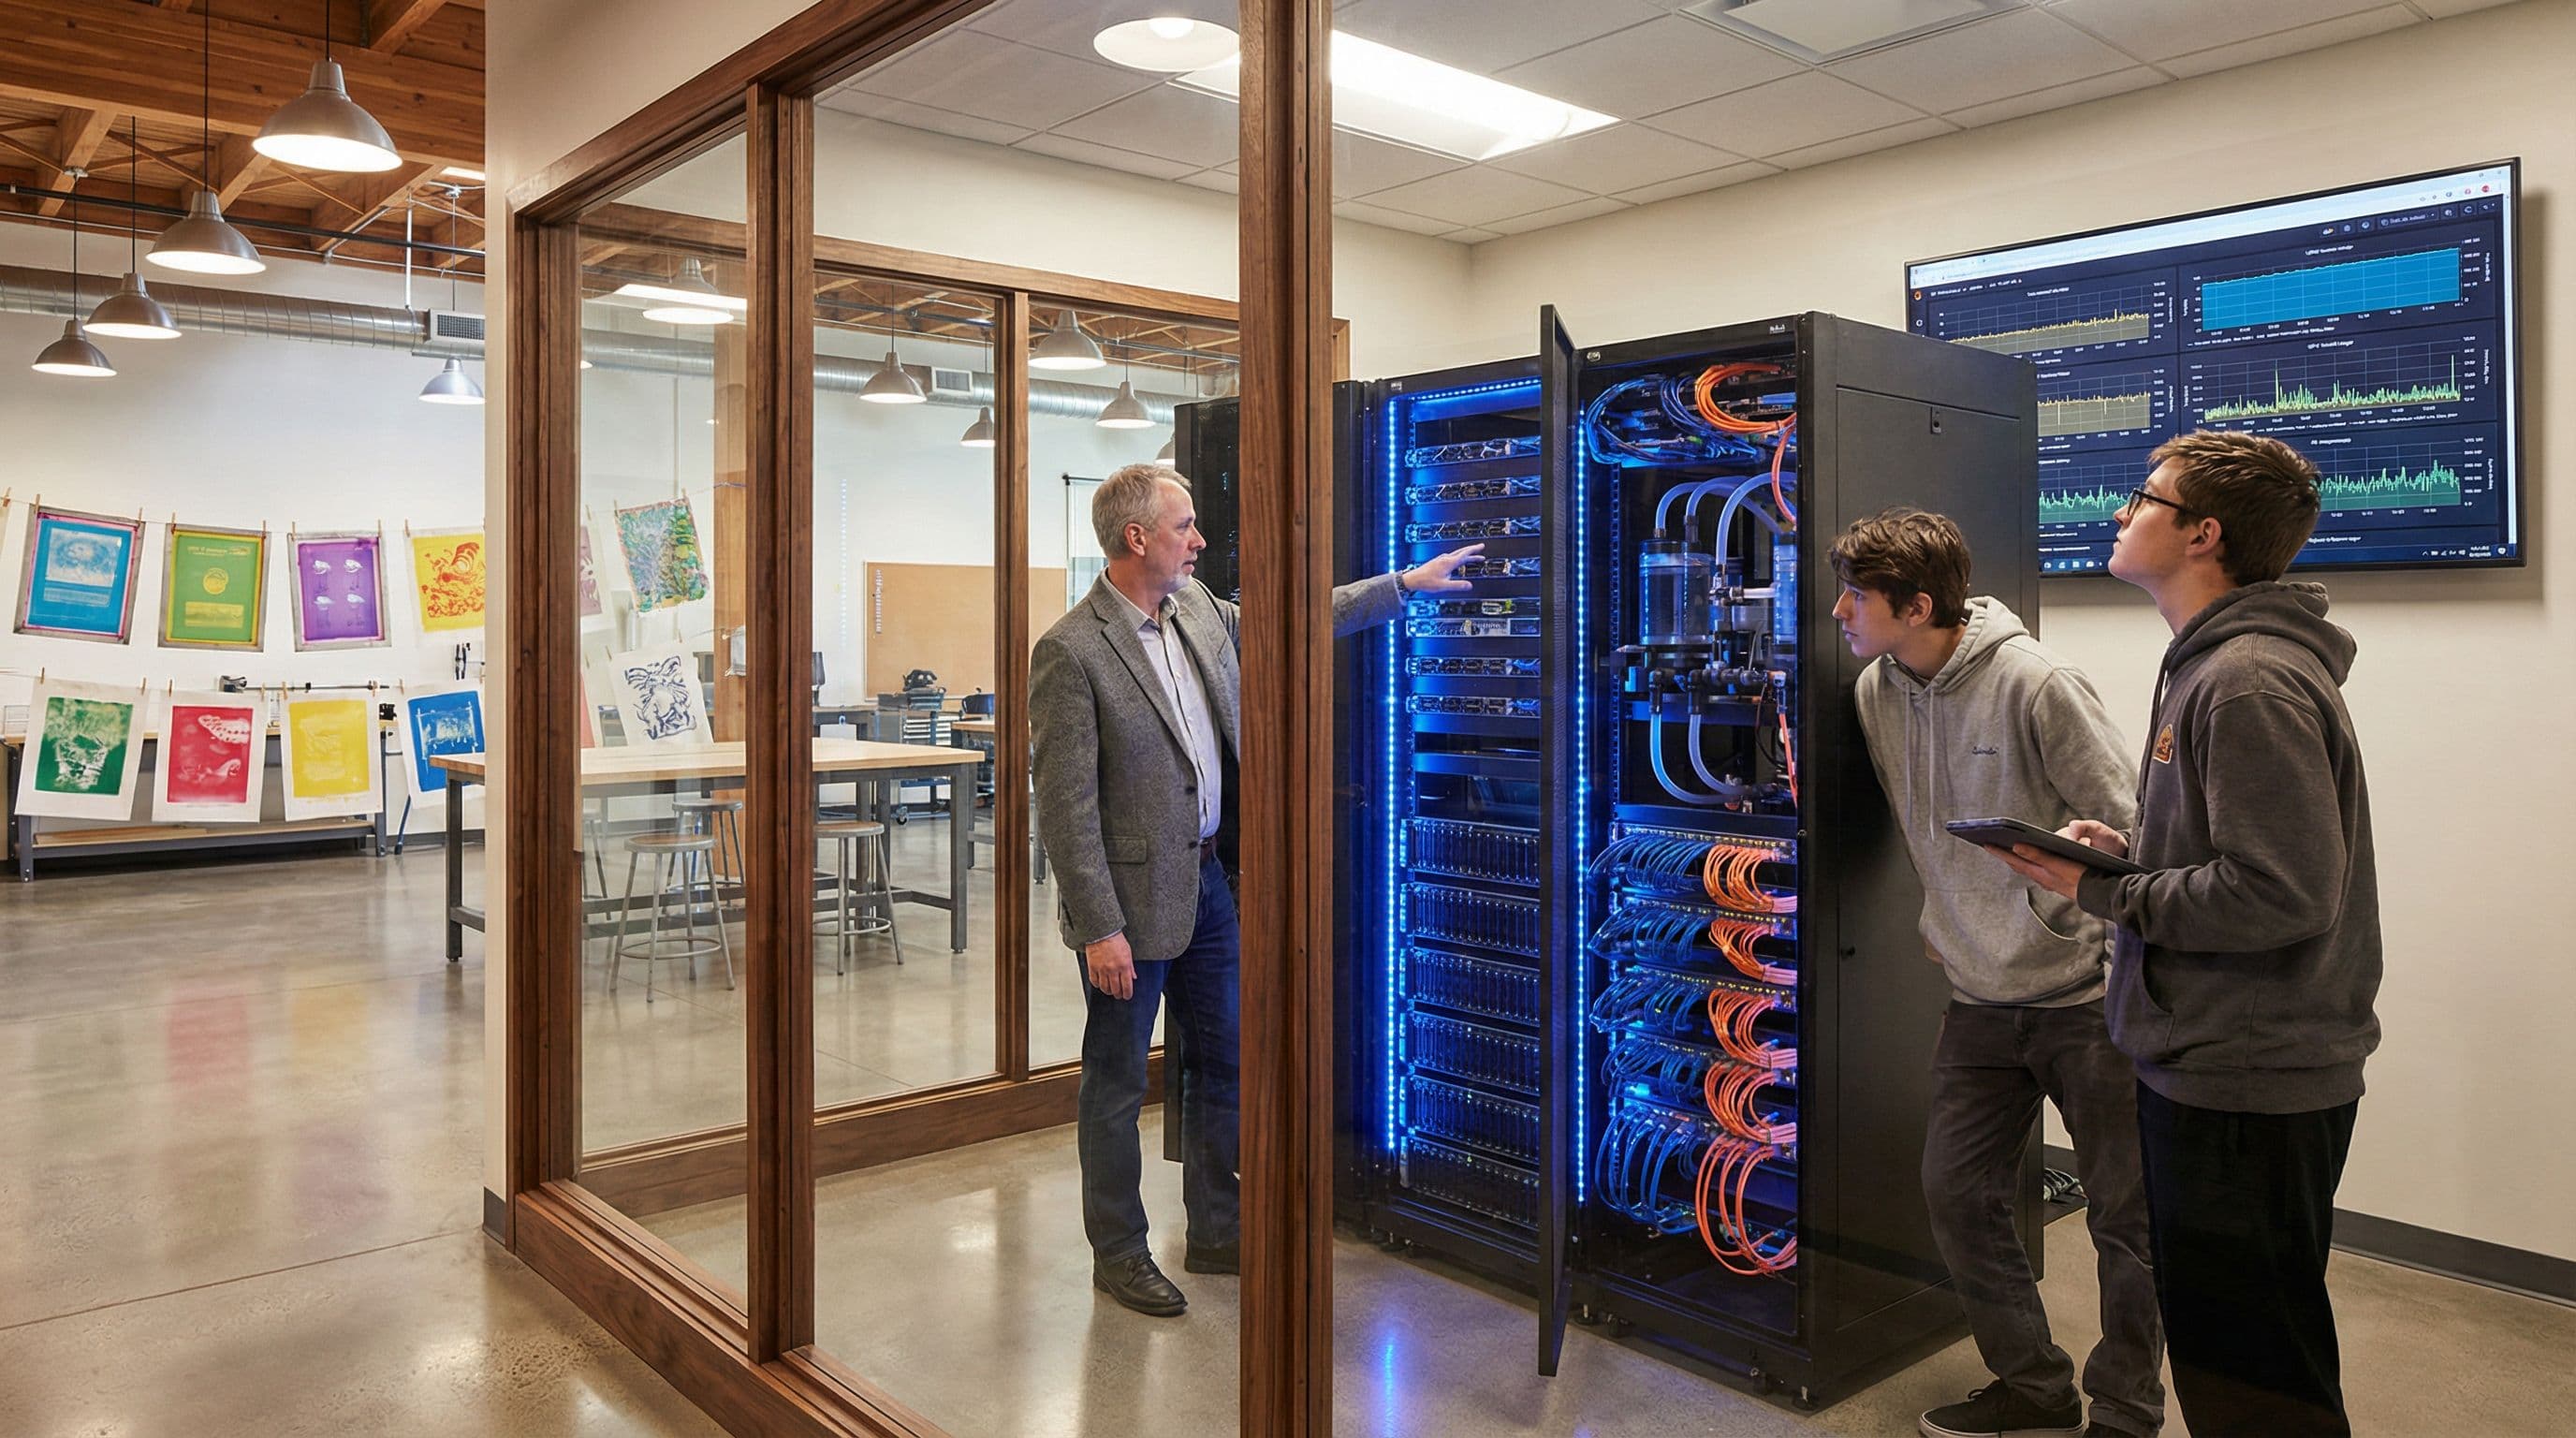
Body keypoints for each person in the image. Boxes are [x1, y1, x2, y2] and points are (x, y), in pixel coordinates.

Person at [1993, 431, 2381, 1438]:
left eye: (2143, 498)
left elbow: (2282, 893)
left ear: (2203, 534)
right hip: (2211, 1057)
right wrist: (2130, 853)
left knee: (2256, 1372)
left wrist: (2107, 891)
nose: (2119, 513)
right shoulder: (2213, 667)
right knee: (2230, 1350)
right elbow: (2239, 857)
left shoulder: (2247, 680)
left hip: (2246, 1075)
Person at [1032, 462, 1481, 1317]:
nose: (1200, 541)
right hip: (1128, 907)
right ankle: (1118, 1253)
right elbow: (1065, 808)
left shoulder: (1198, 610)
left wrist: (1402, 586)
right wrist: (1098, 929)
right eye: (1184, 527)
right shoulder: (1072, 650)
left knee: (1224, 1062)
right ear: (1137, 538)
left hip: (1207, 883)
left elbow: (1294, 617)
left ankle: (1217, 1230)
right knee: (1117, 1084)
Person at [1827, 509, 2162, 1438]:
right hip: (1977, 996)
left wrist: (2056, 909)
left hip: (2085, 997)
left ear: (1917, 606)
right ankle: (2034, 1387)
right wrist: (1948, 917)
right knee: (1955, 1195)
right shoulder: (1876, 689)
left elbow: (2135, 828)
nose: (1839, 612)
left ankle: (2127, 1411)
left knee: (2125, 1221)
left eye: (1856, 596)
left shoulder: (2037, 682)